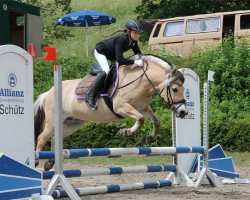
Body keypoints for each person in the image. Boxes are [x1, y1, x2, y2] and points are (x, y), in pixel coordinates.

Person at [85, 20, 144, 109]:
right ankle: (90, 96)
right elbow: (120, 59)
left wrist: (143, 59)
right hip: (101, 51)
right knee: (106, 70)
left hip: (111, 53)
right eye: (135, 32)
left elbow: (138, 54)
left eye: (139, 33)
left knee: (118, 69)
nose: (138, 35)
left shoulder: (133, 41)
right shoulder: (121, 40)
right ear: (129, 32)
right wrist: (135, 62)